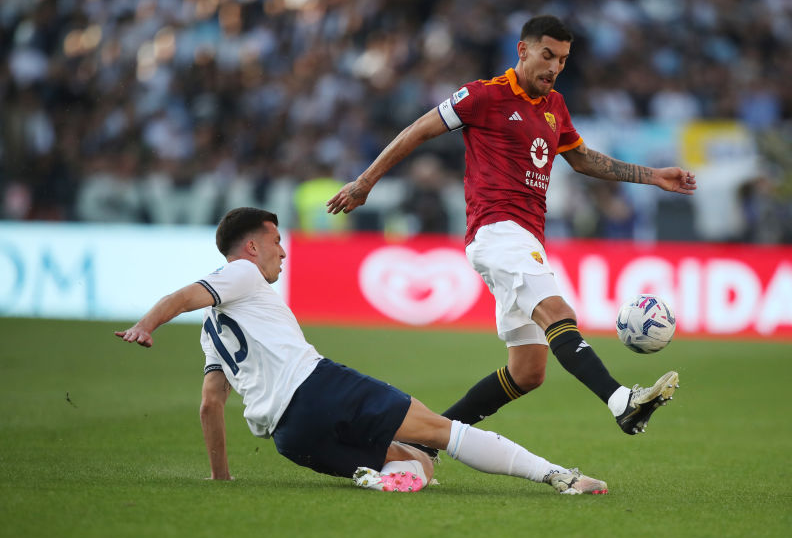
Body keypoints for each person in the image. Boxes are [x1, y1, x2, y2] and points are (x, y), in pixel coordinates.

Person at [326, 15, 696, 439]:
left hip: (524, 237)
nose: (555, 67)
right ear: (522, 51)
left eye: (562, 59)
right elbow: (417, 131)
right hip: (498, 230)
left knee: (527, 372)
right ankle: (621, 402)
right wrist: (364, 182)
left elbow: (583, 160)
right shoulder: (484, 96)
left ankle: (420, 439)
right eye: (547, 55)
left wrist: (653, 176)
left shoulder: (554, 106)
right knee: (560, 313)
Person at [115, 207, 608, 495]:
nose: (283, 252)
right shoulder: (241, 274)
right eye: (276, 242)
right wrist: (147, 323)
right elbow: (186, 295)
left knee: (419, 465)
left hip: (291, 438)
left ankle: (377, 479)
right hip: (318, 388)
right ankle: (558, 476)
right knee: (440, 433)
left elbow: (210, 403)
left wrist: (220, 477)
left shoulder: (210, 334)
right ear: (250, 248)